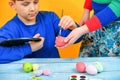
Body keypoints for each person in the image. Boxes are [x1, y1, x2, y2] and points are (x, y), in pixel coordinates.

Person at [0, 0, 82, 63]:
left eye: (35, 2)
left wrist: (74, 28)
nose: (33, 8)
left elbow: (77, 39)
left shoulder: (50, 18)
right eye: (25, 4)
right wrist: (29, 48)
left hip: (54, 71)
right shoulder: (10, 29)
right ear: (12, 4)